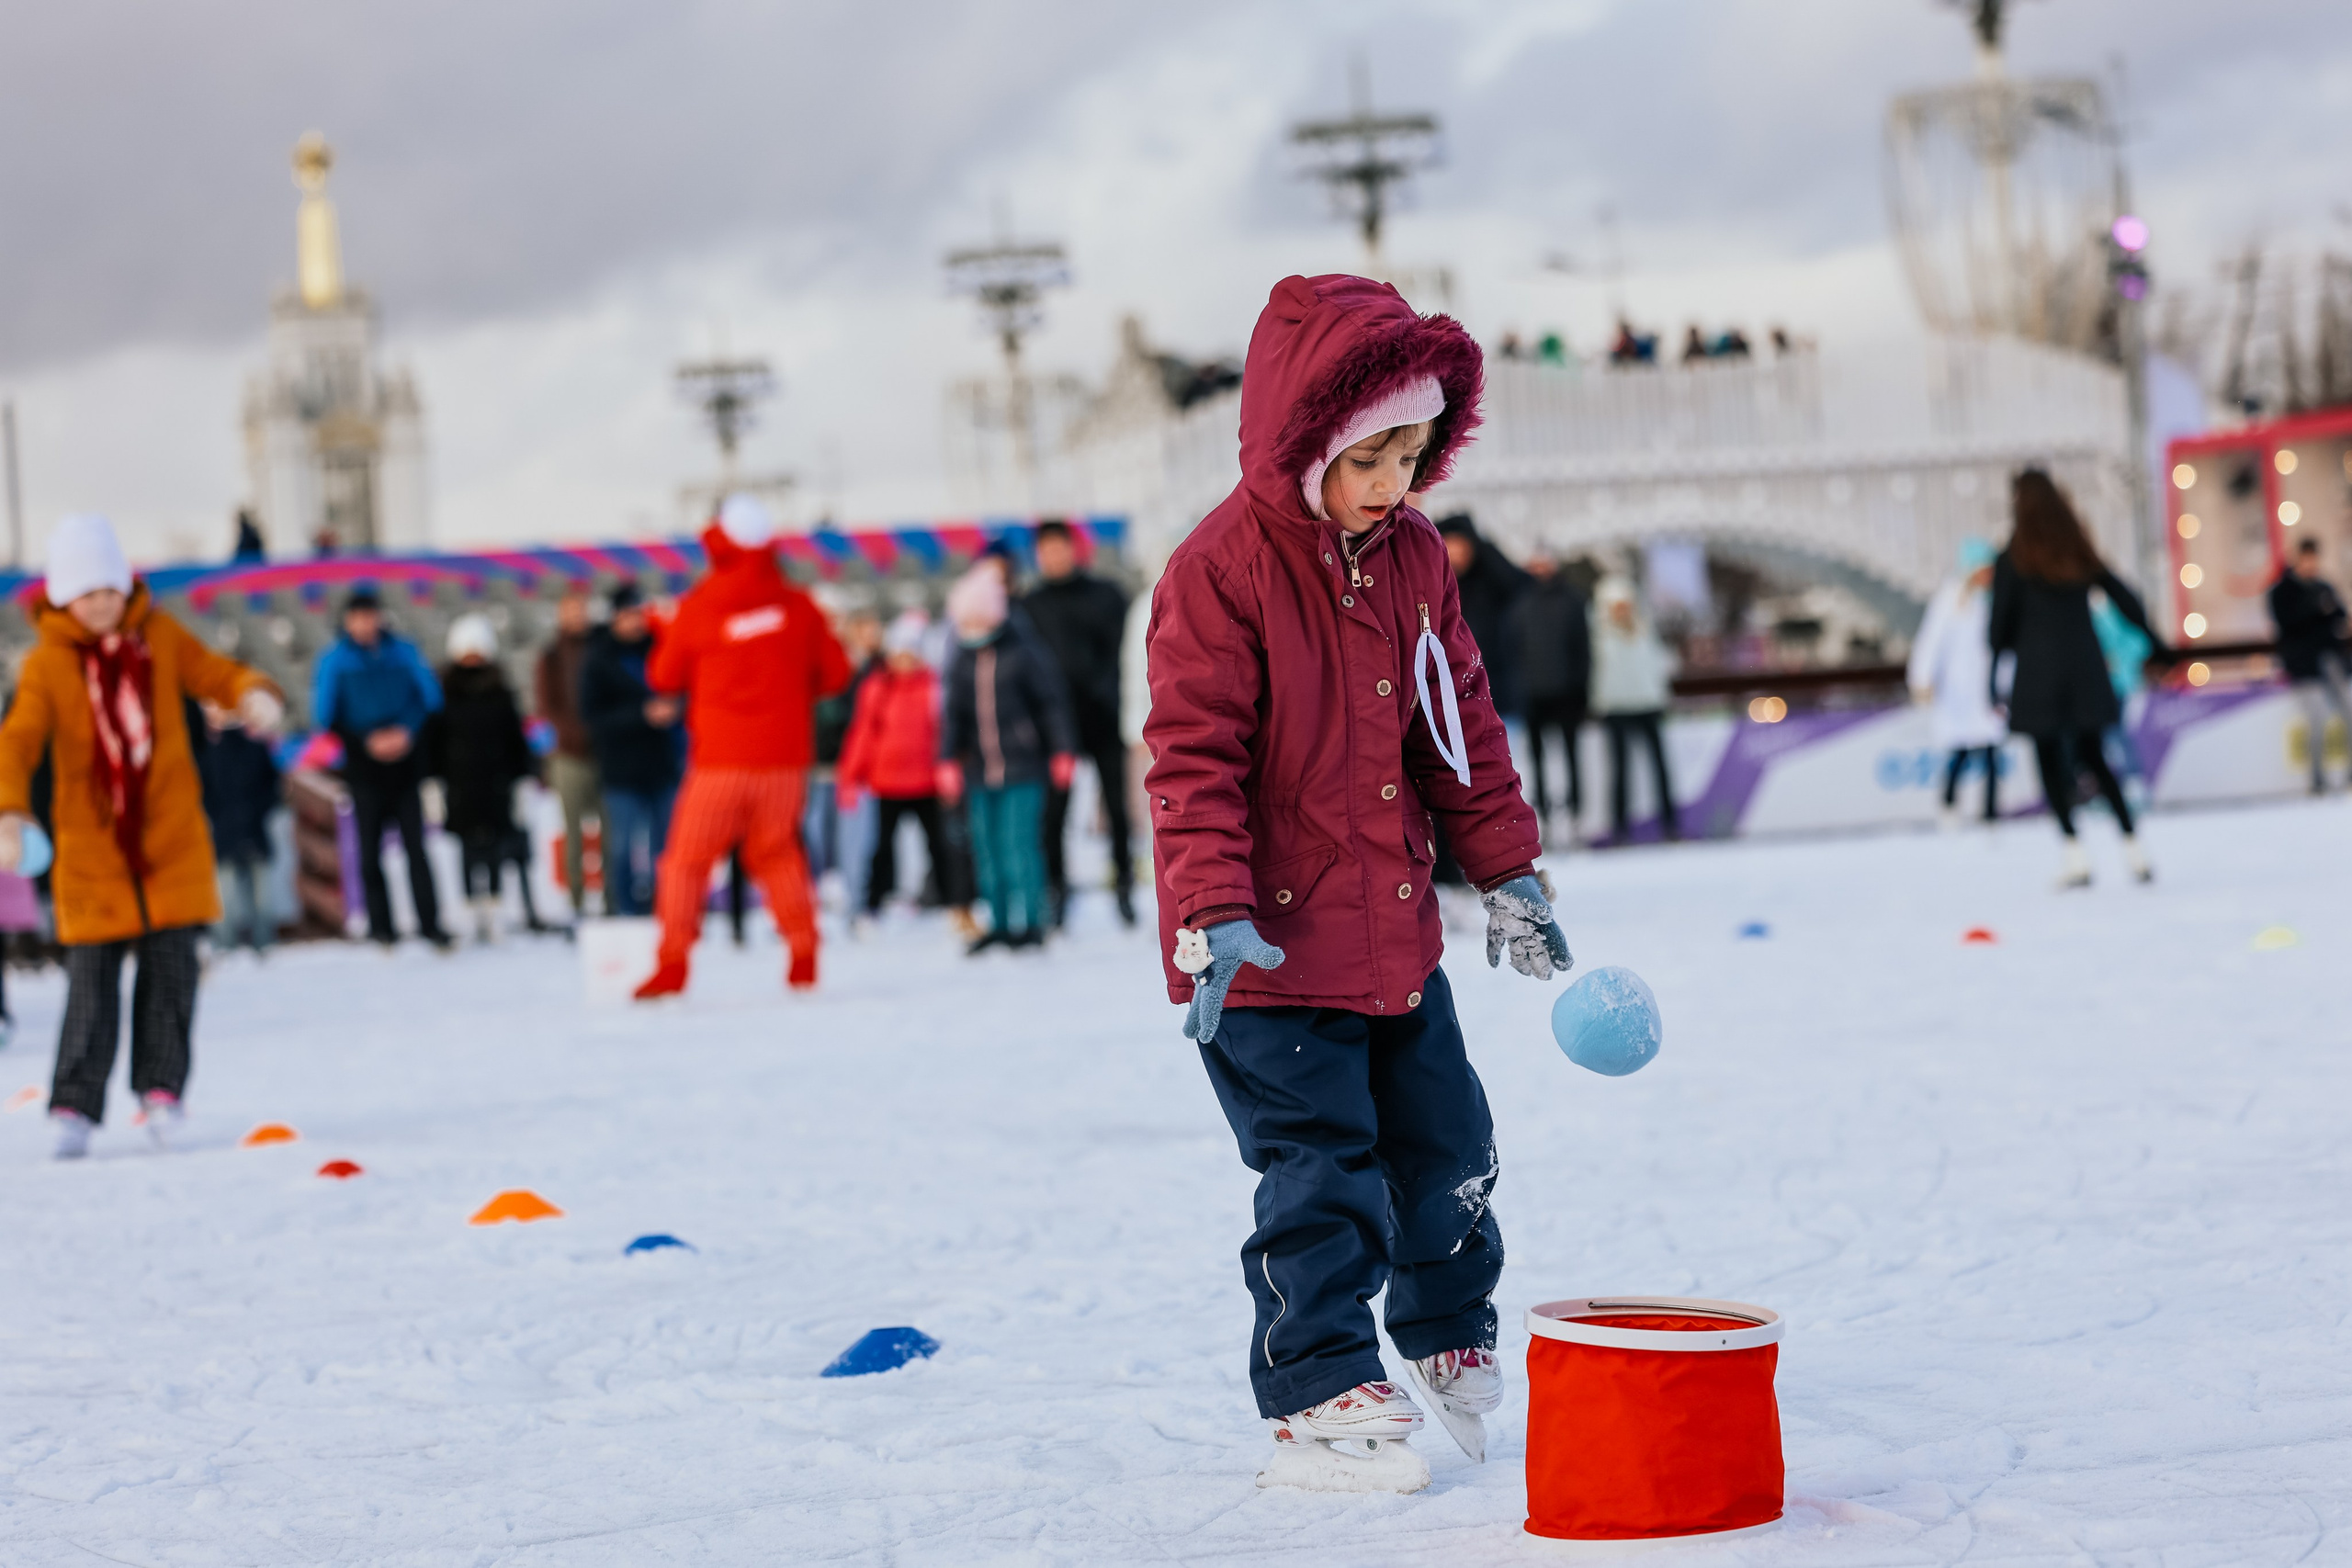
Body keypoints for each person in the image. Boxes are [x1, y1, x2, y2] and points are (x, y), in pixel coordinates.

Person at [1145, 275, 1568, 1492]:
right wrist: (1214, 910)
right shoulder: (1219, 570)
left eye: (1412, 456)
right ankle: (1319, 1381)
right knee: (1320, 1171)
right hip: (1264, 957)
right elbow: (1191, 755)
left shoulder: (1416, 557)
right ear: (1307, 440)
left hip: (1392, 937)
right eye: (1370, 458)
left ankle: (1443, 1331)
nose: (1393, 485)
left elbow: (1460, 725)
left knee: (1449, 1143)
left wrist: (1508, 873)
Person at [0, 514, 283, 1159]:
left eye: (110, 590)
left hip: (171, 838)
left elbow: (217, 673)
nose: (102, 605)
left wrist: (253, 694)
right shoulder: (47, 664)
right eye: (87, 594)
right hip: (92, 849)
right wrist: (8, 810)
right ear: (63, 598)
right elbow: (17, 741)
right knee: (91, 983)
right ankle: (74, 1102)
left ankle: (162, 1090)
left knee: (171, 974)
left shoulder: (160, 636)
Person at [635, 495, 852, 998]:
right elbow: (835, 675)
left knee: (687, 862)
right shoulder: (799, 607)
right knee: (778, 856)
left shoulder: (698, 606)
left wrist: (667, 629)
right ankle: (802, 951)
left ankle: (673, 961)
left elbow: (663, 675)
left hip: (720, 762)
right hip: (784, 761)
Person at [1988, 468, 2165, 887]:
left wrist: (2002, 665)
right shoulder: (2076, 550)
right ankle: (2133, 846)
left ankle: (2075, 854)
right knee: (2096, 758)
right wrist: (2157, 642)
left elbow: (1998, 630)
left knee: (2049, 762)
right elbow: (2124, 596)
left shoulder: (2013, 558)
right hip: (2085, 667)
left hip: (2038, 675)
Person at [941, 565, 1074, 953]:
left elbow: (1051, 704)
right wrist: (947, 759)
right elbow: (954, 714)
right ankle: (998, 923)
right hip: (980, 771)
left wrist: (1061, 750)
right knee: (987, 849)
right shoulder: (963, 658)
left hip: (1023, 768)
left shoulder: (1025, 650)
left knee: (1020, 846)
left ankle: (1032, 922)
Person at [311, 585, 450, 949]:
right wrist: (366, 740)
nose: (365, 624)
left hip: (405, 765)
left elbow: (430, 699)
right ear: (347, 621)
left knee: (416, 849)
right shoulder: (336, 660)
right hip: (364, 767)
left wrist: (406, 730)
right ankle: (381, 928)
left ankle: (430, 924)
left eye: (370, 615)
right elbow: (325, 715)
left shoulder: (403, 652)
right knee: (370, 852)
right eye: (358, 617)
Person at [1022, 519, 1137, 927]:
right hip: (1055, 729)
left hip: (1104, 718)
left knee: (1118, 811)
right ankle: (1057, 890)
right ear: (1038, 554)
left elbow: (1129, 653)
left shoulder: (1106, 595)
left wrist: (1114, 698)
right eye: (1046, 549)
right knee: (1054, 814)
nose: (1054, 556)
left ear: (1074, 549)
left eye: (1061, 547)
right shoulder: (1029, 605)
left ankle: (1124, 886)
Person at [839, 611, 965, 921]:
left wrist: (950, 769)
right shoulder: (877, 688)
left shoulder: (934, 687)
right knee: (881, 848)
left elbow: (945, 732)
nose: (904, 661)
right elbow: (863, 734)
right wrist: (851, 776)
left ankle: (954, 903)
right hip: (887, 782)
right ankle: (873, 903)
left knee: (938, 845)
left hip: (925, 781)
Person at [426, 615, 544, 942]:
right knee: (465, 849)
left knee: (493, 847)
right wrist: (432, 782)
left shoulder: (501, 692)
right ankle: (469, 911)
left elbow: (515, 739)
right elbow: (433, 741)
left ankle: (494, 909)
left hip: (496, 783)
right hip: (460, 784)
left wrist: (522, 779)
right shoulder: (442, 694)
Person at [579, 583, 682, 917]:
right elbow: (592, 715)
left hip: (660, 765)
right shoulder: (597, 659)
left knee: (663, 847)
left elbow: (682, 690)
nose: (634, 621)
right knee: (622, 847)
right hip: (620, 769)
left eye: (637, 613)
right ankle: (626, 909)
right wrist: (641, 715)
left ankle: (665, 906)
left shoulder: (659, 648)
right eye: (627, 615)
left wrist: (673, 709)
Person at [1906, 538, 2007, 826]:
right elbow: (1931, 640)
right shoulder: (1951, 597)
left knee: (1991, 751)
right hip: (1957, 689)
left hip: (1988, 688)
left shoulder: (1996, 600)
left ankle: (1990, 814)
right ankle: (1949, 804)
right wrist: (1922, 678)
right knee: (1961, 750)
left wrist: (2006, 684)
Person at [1589, 578, 1680, 843]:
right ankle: (1620, 827)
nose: (1623, 610)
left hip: (1648, 703)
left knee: (1660, 766)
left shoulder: (1643, 628)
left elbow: (1657, 664)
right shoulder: (1598, 635)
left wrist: (1661, 695)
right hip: (1615, 707)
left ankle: (1670, 824)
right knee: (1620, 769)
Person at [1511, 553, 1591, 838]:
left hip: (1566, 693)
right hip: (1532, 694)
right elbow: (1513, 649)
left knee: (1571, 757)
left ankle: (1575, 815)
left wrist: (1581, 689)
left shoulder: (1572, 600)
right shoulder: (1519, 602)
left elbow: (1583, 649)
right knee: (1538, 761)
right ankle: (1543, 815)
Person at [534, 588, 600, 919]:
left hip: (604, 755)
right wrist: (578, 737)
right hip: (569, 756)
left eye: (582, 609)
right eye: (571, 610)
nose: (577, 616)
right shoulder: (551, 656)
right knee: (573, 836)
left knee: (611, 836)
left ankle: (614, 905)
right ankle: (576, 905)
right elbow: (548, 708)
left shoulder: (601, 649)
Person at [196, 699, 282, 953]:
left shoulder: (254, 749)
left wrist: (255, 813)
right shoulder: (209, 753)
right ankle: (227, 945)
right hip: (228, 834)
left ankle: (262, 944)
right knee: (228, 898)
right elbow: (204, 793)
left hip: (250, 831)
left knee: (259, 896)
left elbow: (271, 788)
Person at [2268, 537, 2352, 794]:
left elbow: (2339, 616)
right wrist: (2317, 611)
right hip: (2304, 666)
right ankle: (2318, 780)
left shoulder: (2323, 586)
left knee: (2348, 715)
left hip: (2332, 660)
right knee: (2317, 721)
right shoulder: (2283, 591)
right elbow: (2289, 623)